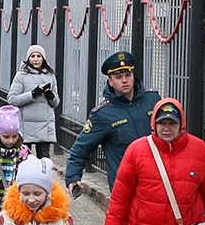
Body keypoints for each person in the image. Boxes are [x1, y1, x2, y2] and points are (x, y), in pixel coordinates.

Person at [65, 51, 162, 192]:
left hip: (157, 179)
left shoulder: (152, 100)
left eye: (128, 75)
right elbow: (81, 148)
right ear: (110, 82)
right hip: (125, 186)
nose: (124, 80)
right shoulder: (103, 114)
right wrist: (73, 176)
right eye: (118, 77)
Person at [5, 45, 59, 159]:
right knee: (23, 159)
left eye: (39, 56)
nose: (35, 59)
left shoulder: (50, 76)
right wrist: (33, 94)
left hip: (45, 126)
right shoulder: (21, 75)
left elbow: (56, 103)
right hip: (25, 126)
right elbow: (12, 99)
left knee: (44, 160)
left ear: (43, 59)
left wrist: (50, 96)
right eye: (32, 56)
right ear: (28, 58)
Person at [0, 107, 31, 222]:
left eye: (14, 136)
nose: (11, 141)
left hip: (16, 203)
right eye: (6, 137)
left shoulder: (23, 151)